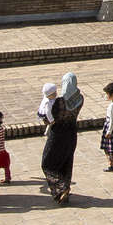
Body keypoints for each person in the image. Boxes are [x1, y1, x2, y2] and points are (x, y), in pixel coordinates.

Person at [41, 72, 84, 203]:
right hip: (71, 135)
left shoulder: (58, 103)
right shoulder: (80, 99)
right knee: (66, 163)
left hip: (57, 136)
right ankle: (64, 192)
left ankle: (61, 187)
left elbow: (47, 119)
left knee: (47, 163)